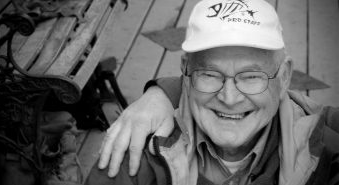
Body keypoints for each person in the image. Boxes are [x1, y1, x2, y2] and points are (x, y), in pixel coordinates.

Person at [88, 0, 339, 184]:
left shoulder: (327, 140)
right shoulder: (133, 148)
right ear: (185, 71)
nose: (229, 98)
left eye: (251, 76)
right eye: (209, 74)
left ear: (284, 77)